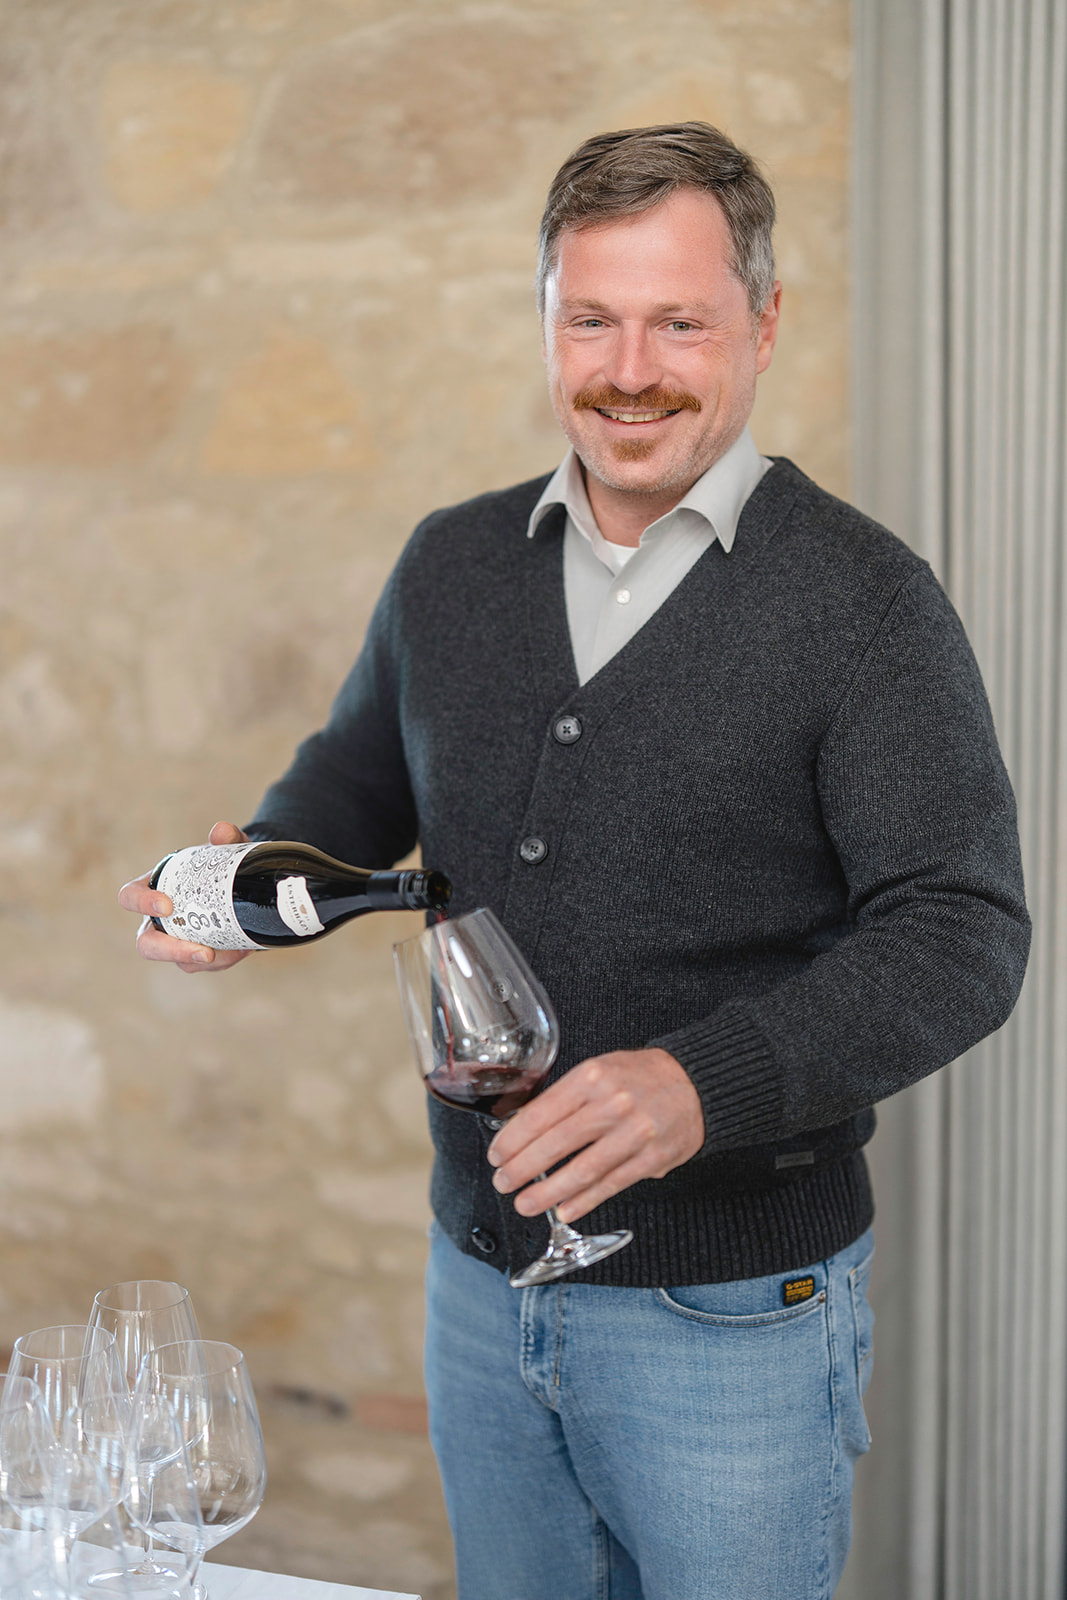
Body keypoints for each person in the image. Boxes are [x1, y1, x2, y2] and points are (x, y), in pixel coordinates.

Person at [120, 123, 1029, 1599]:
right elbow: (352, 787)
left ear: (765, 323)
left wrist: (697, 1085)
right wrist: (243, 882)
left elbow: (961, 931)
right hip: (482, 1285)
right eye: (591, 319)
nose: (630, 370)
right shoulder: (451, 563)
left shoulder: (866, 604)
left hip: (732, 1313)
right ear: (545, 318)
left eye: (682, 323)